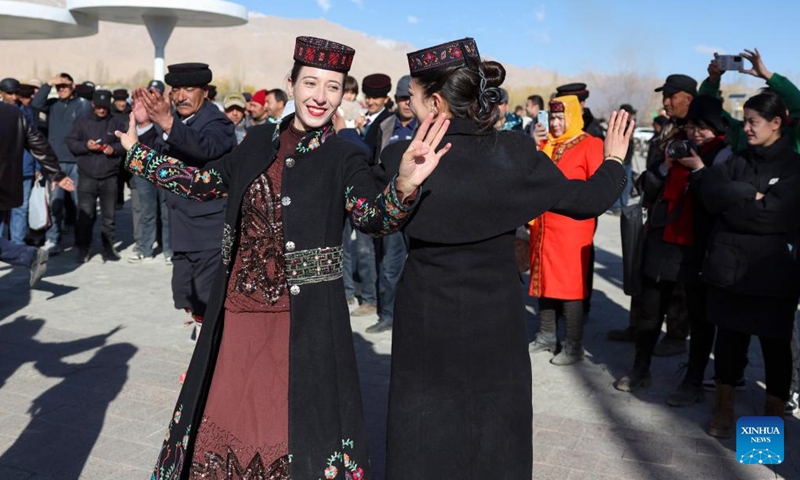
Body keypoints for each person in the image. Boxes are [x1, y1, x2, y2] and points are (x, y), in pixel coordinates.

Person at [116, 36, 449, 479]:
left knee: (286, 425)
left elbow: (374, 218)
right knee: (230, 413)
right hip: (239, 308)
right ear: (290, 83)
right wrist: (137, 154)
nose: (320, 96)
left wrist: (405, 184)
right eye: (310, 83)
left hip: (305, 317)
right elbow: (203, 183)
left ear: (343, 94)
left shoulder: (345, 156)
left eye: (333, 87)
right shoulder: (255, 142)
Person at [379, 37, 632, 479]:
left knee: (425, 426)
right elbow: (590, 198)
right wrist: (613, 158)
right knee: (495, 425)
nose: (409, 106)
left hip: (426, 314)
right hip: (495, 319)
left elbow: (371, 219)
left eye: (413, 98)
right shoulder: (512, 153)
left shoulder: (400, 160)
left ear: (435, 101)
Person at [613, 95, 730, 398]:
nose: (694, 134)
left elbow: (719, 200)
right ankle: (641, 370)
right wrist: (664, 166)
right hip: (663, 241)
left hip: (699, 248)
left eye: (702, 129)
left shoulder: (724, 153)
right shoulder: (675, 144)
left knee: (700, 319)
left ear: (714, 128)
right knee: (650, 312)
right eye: (691, 127)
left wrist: (700, 168)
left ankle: (693, 381)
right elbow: (649, 187)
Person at [699, 93, 800, 437]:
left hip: (774, 277)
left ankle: (767, 432)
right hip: (730, 273)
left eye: (752, 121)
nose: (746, 128)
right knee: (728, 346)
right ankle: (723, 413)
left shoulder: (794, 167)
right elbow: (711, 196)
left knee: (775, 352)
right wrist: (746, 193)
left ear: (776, 123)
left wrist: (736, 203)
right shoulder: (737, 161)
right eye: (744, 121)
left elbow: (775, 216)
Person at [133, 63, 237, 341]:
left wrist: (166, 123)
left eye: (189, 89)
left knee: (208, 295)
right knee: (184, 294)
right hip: (180, 228)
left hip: (208, 231)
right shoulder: (177, 122)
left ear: (204, 92)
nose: (180, 96)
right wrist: (144, 123)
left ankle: (216, 356)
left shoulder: (218, 123)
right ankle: (205, 345)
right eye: (176, 89)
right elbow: (156, 160)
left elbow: (207, 148)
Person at [527, 95, 604, 365]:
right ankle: (547, 334)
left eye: (561, 118)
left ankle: (574, 344)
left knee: (570, 286)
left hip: (572, 229)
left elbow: (598, 188)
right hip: (544, 226)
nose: (556, 124)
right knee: (544, 280)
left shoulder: (591, 145)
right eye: (553, 117)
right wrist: (535, 147)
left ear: (572, 117)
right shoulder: (548, 144)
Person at [362, 75, 417, 334]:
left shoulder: (427, 127)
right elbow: (371, 162)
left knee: (418, 264)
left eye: (410, 98)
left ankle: (414, 317)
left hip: (419, 207)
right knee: (389, 265)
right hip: (390, 206)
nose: (407, 103)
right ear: (395, 100)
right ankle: (387, 315)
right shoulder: (384, 126)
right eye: (402, 98)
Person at [0, 102, 74, 286]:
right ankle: (29, 255)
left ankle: (28, 255)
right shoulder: (13, 113)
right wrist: (56, 173)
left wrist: (56, 174)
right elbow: (38, 143)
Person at [31, 72, 93, 254]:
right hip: (56, 164)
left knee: (79, 204)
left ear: (72, 86)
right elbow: (36, 103)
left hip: (76, 161)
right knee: (55, 203)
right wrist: (49, 83)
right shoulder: (52, 105)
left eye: (64, 86)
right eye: (58, 87)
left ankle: (82, 241)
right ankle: (53, 239)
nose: (61, 90)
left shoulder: (82, 106)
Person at [66, 89, 127, 263]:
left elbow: (126, 144)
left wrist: (113, 149)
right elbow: (71, 142)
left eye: (104, 107)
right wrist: (86, 146)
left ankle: (108, 247)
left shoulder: (116, 123)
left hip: (109, 177)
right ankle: (83, 248)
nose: (101, 110)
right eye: (98, 107)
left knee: (109, 216)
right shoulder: (82, 122)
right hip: (87, 176)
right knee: (86, 215)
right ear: (93, 104)